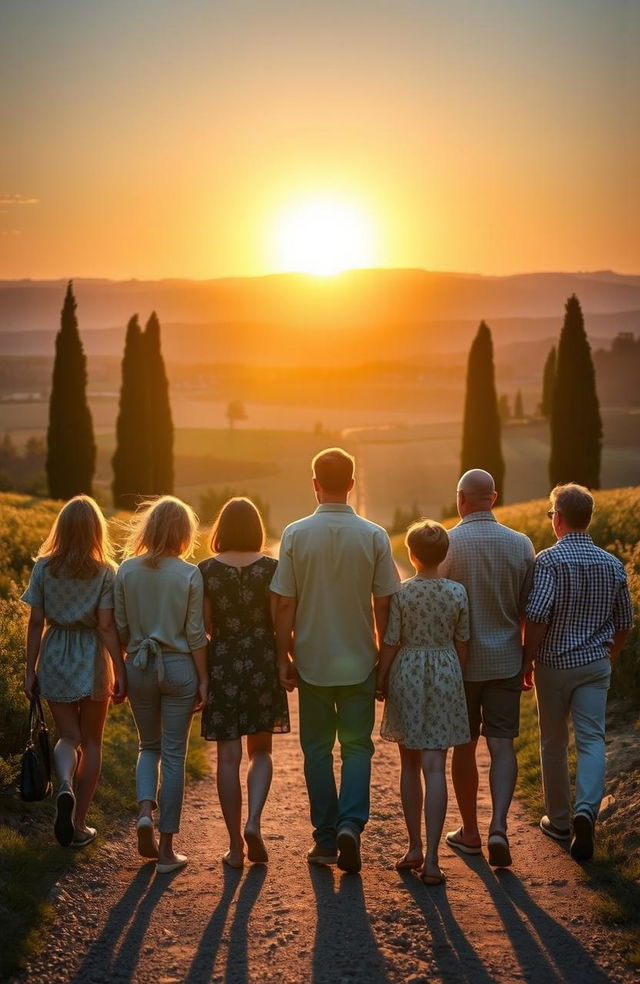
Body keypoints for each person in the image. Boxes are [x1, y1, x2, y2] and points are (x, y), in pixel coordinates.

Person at [271, 447, 399, 873]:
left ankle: (325, 839)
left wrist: (283, 654)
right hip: (360, 658)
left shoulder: (294, 534)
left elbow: (284, 602)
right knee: (359, 746)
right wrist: (384, 658)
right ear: (351, 484)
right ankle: (351, 824)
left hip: (313, 659)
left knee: (317, 750)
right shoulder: (375, 535)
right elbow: (385, 603)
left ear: (314, 484)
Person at [524, 483, 633, 861]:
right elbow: (625, 620)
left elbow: (537, 615)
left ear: (558, 518)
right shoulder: (612, 563)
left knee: (553, 743)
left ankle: (559, 820)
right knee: (592, 739)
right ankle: (587, 811)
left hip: (553, 664)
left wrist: (527, 658)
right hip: (594, 665)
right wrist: (611, 655)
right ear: (587, 518)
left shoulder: (548, 561)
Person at [440, 468, 535, 867]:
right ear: (492, 498)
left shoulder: (448, 543)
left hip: (461, 664)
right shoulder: (521, 544)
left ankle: (470, 831)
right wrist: (526, 657)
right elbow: (530, 606)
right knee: (502, 744)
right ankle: (499, 826)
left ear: (461, 499)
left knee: (464, 746)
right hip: (506, 659)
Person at [21, 495, 126, 847]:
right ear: (96, 530)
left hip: (54, 653)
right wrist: (121, 669)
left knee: (69, 738)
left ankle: (64, 783)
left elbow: (35, 623)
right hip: (93, 656)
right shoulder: (105, 571)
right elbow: (107, 627)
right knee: (92, 742)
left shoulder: (43, 567)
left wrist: (29, 670)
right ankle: (79, 823)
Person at [115, 496, 208, 874]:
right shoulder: (189, 574)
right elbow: (196, 634)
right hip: (179, 668)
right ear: (184, 533)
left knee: (147, 746)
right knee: (173, 755)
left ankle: (143, 813)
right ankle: (167, 850)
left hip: (139, 664)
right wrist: (203, 679)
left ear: (148, 528)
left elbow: (120, 627)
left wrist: (128, 659)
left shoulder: (126, 570)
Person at [199, 497, 290, 868]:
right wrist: (286, 657)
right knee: (261, 751)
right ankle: (254, 821)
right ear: (256, 529)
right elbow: (278, 619)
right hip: (260, 657)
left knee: (227, 757)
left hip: (221, 659)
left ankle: (235, 846)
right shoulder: (271, 568)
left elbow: (204, 627)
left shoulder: (205, 570)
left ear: (221, 529)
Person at [377, 520, 470, 885]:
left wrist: (381, 676)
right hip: (445, 669)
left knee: (409, 766)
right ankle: (432, 860)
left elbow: (391, 640)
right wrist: (454, 676)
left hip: (408, 672)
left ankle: (413, 846)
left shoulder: (401, 593)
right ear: (444, 555)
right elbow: (463, 640)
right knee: (436, 768)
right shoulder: (457, 592)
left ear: (412, 555)